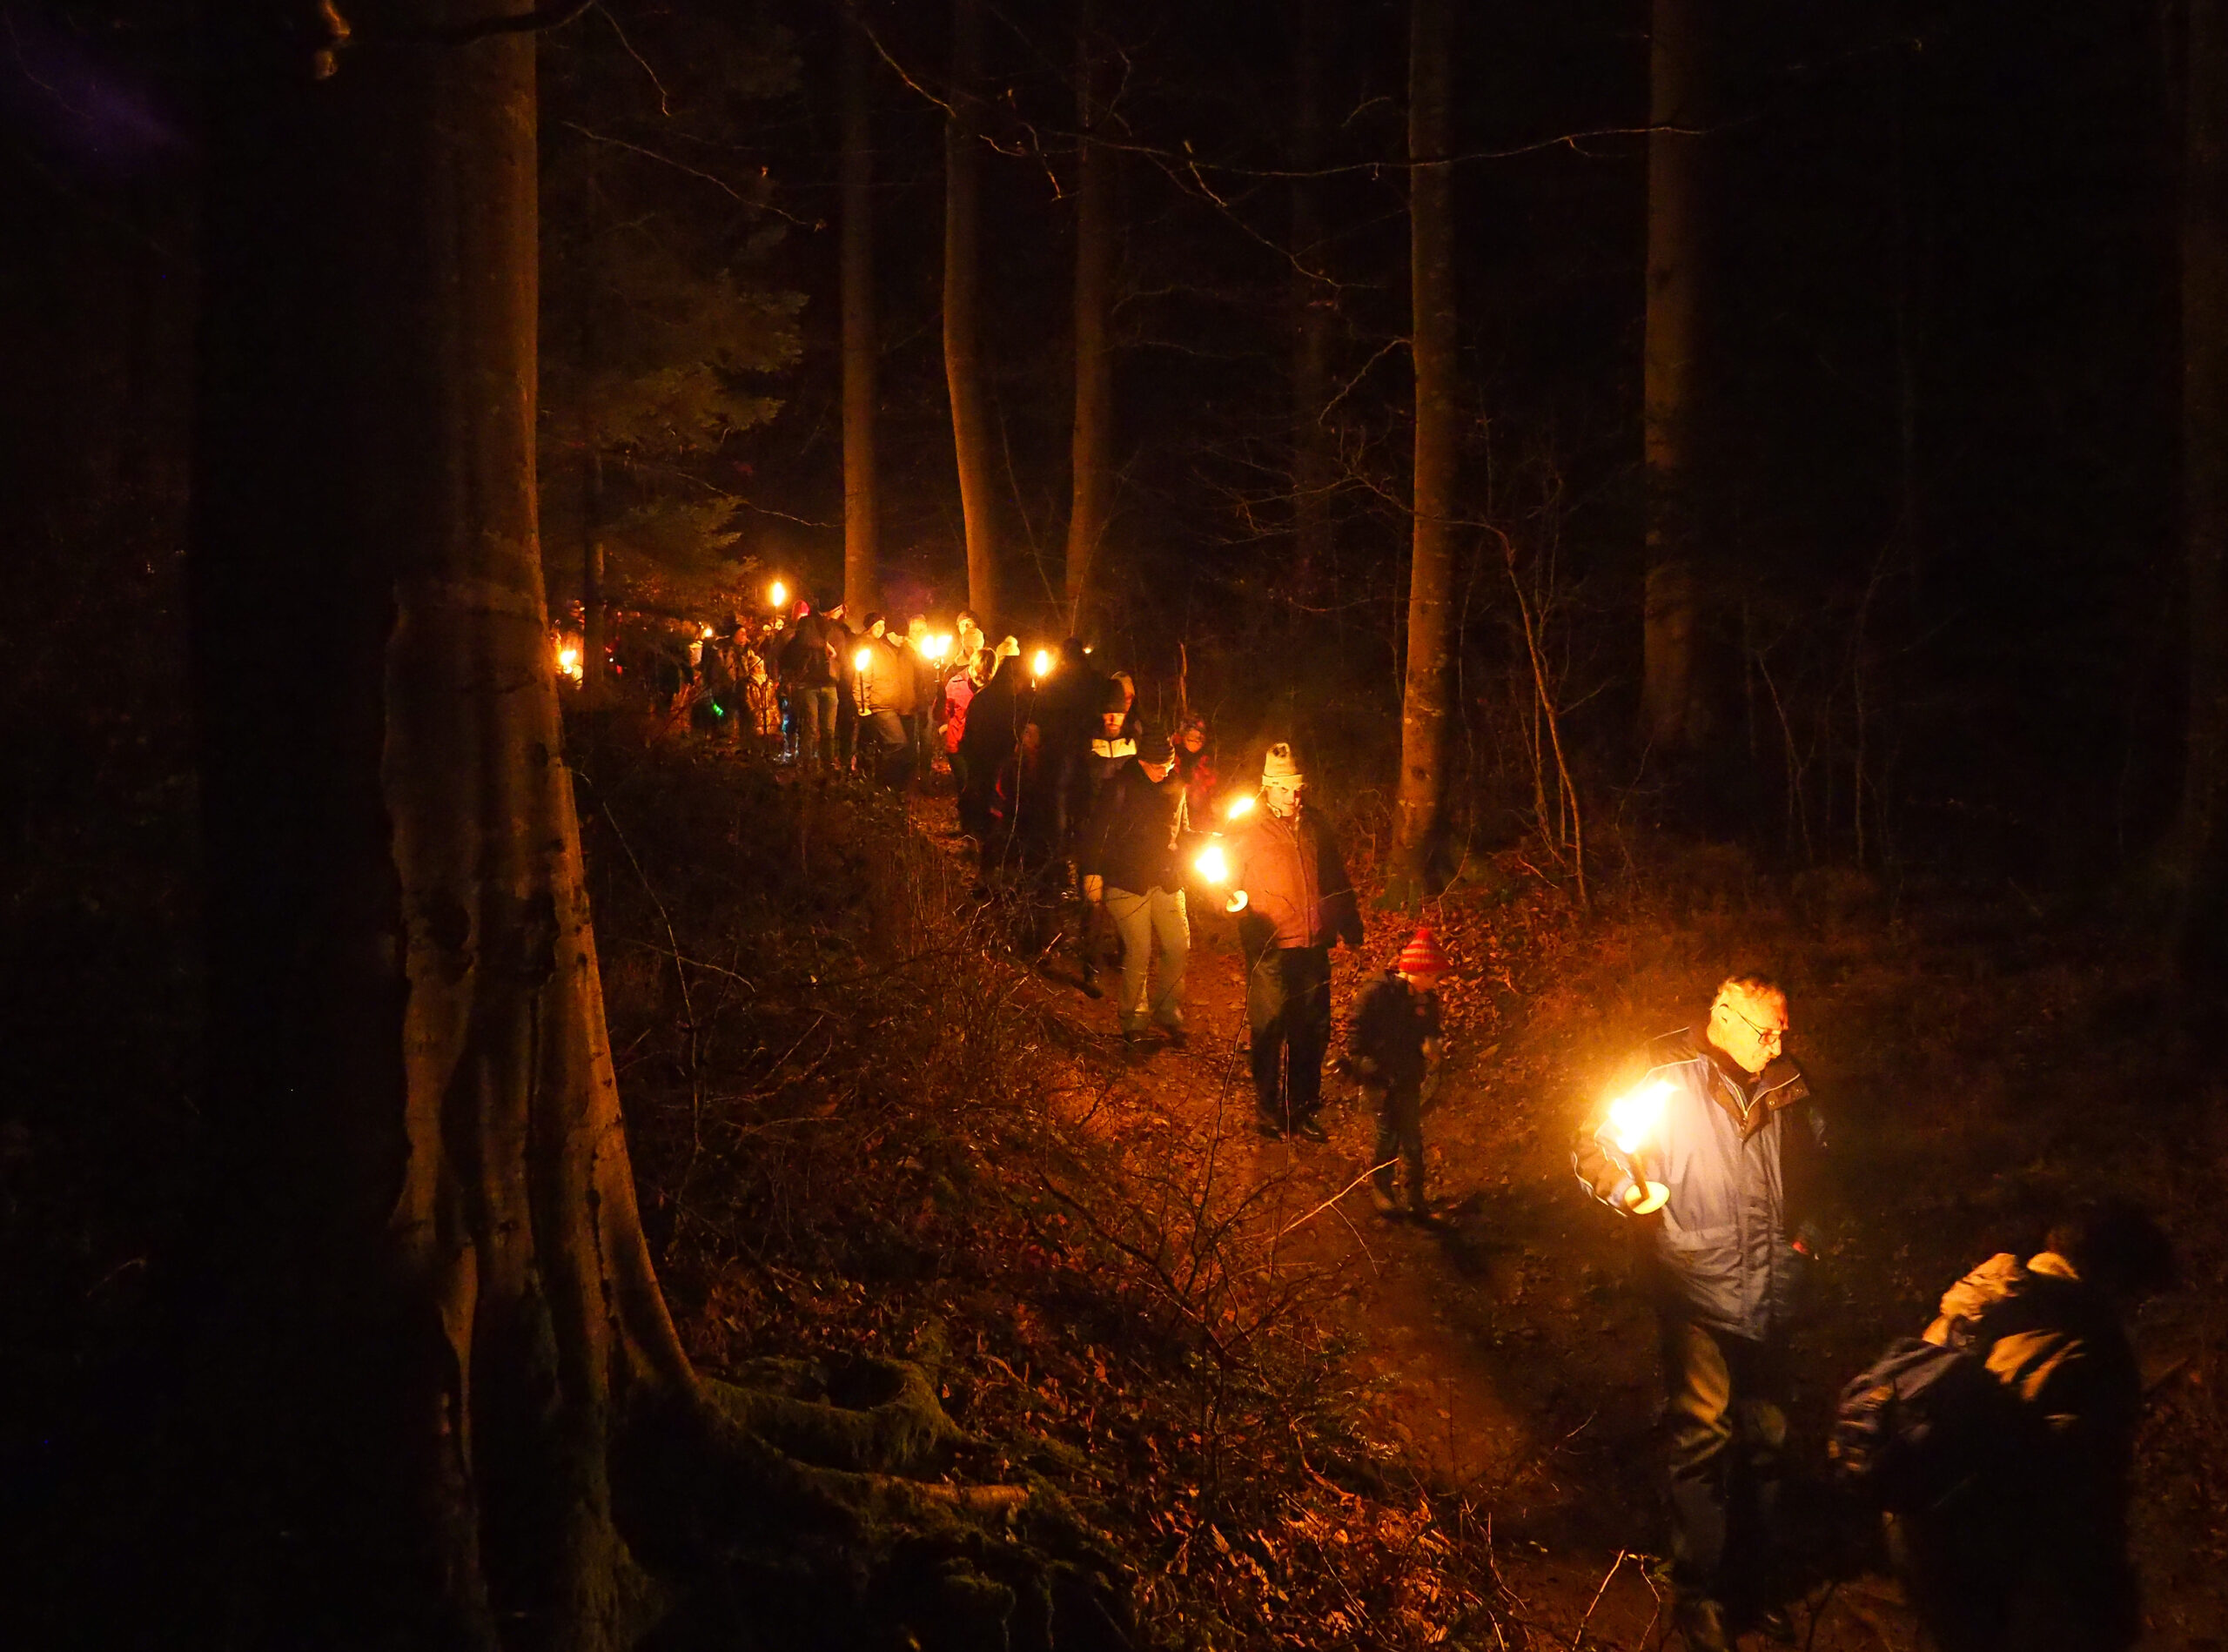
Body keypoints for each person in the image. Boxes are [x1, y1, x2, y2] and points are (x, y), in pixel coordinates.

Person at [1572, 975, 1822, 1652]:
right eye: (1767, 1031)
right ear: (1725, 1017)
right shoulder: (1662, 1076)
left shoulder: (1791, 1086)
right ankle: (1699, 1593)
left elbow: (1819, 1173)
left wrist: (1807, 1241)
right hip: (1695, 1287)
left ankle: (1756, 1585)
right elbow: (1596, 1145)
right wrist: (1627, 1191)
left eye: (1783, 1032)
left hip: (1773, 1290)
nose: (1778, 1044)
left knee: (1768, 1442)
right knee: (1703, 1440)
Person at [1886, 1200, 2172, 1652]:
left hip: (1922, 1533)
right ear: (2114, 1277)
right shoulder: (2096, 1339)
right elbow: (2091, 1493)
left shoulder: (1976, 1302)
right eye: (2136, 1296)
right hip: (2010, 1555)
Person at [1225, 742, 1363, 1141]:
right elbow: (1221, 876)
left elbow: (1335, 880)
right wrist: (1230, 902)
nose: (1293, 795)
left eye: (1298, 787)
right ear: (1268, 787)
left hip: (1312, 943)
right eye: (1284, 788)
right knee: (1269, 1026)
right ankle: (1268, 1109)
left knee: (1312, 1028)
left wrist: (1349, 924)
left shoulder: (1317, 825)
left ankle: (1301, 1108)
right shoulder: (1248, 826)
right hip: (1268, 943)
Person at [1079, 726, 1189, 1045]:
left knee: (1178, 945)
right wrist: (1093, 873)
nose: (1164, 773)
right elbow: (1097, 831)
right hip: (1127, 880)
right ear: (1141, 762)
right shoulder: (1120, 787)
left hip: (1166, 878)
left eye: (1168, 767)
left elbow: (1182, 831)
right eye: (1157, 767)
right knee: (1139, 949)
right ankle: (1134, 1019)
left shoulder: (1176, 787)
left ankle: (1168, 1011)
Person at [1349, 928, 1448, 1219]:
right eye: (1431, 975)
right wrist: (1365, 1065)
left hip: (1408, 1076)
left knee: (1413, 1138)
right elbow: (1357, 1033)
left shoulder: (1425, 1000)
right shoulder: (1378, 993)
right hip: (1380, 1076)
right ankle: (1382, 1188)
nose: (1434, 982)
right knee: (1386, 1135)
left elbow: (1431, 1031)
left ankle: (1416, 1197)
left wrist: (1432, 1046)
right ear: (1417, 969)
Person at [1072, 678, 1136, 997]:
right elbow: (1072, 787)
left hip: (1125, 837)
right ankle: (1092, 965)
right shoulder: (1085, 743)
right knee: (1092, 902)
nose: (1113, 718)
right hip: (1092, 834)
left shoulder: (1136, 745)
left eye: (1118, 713)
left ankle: (1128, 957)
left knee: (1126, 899)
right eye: (1108, 713)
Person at [850, 614, 914, 789]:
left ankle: (884, 785)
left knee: (890, 746)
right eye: (899, 635)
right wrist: (862, 706)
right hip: (880, 706)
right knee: (897, 743)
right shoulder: (873, 649)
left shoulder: (898, 651)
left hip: (894, 706)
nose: (903, 639)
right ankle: (885, 783)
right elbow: (862, 678)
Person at [778, 599, 840, 769]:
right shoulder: (807, 624)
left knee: (828, 730)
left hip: (830, 683)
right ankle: (806, 764)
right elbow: (804, 640)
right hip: (809, 683)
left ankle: (827, 764)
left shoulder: (838, 628)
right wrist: (824, 645)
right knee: (810, 727)